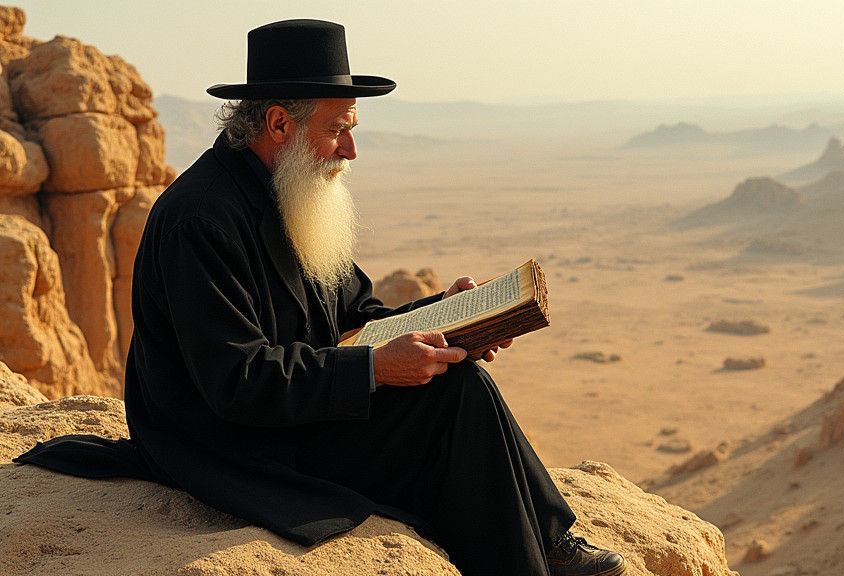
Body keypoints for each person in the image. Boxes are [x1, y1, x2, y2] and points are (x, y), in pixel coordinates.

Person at [16, 19, 626, 576]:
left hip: (291, 412)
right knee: (453, 402)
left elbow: (356, 315)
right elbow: (237, 378)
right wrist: (375, 369)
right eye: (337, 130)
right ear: (279, 123)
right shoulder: (201, 218)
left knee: (456, 378)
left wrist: (448, 318)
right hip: (230, 443)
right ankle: (530, 560)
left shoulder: (289, 190)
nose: (350, 151)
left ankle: (547, 540)